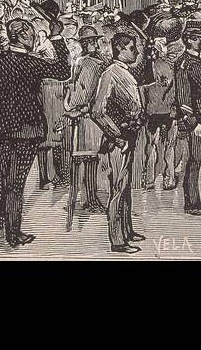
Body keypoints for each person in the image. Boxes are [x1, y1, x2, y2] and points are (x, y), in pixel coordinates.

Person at [0, 14, 72, 246]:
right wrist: (57, 37)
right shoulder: (31, 63)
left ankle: (0, 224)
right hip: (26, 131)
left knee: (2, 177)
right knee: (16, 183)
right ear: (22, 36)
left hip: (1, 129)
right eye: (31, 33)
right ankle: (13, 234)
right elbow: (63, 70)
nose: (33, 37)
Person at [91, 31, 146, 252]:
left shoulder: (125, 72)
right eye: (132, 48)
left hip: (128, 137)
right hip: (117, 140)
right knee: (117, 190)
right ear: (121, 50)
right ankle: (117, 240)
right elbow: (97, 111)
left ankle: (127, 230)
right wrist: (117, 136)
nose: (137, 51)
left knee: (125, 187)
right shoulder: (110, 73)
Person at [173, 21, 201, 217]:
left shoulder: (198, 61)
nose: (199, 41)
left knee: (195, 163)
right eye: (195, 38)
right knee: (193, 163)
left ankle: (194, 202)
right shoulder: (184, 63)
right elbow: (183, 98)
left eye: (200, 38)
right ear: (187, 40)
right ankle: (192, 204)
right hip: (196, 124)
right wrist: (194, 123)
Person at [64, 25, 108, 214]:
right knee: (87, 158)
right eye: (86, 41)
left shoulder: (99, 61)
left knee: (91, 157)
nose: (90, 44)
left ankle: (86, 197)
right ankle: (87, 199)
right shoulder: (85, 62)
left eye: (92, 41)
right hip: (86, 115)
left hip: (93, 114)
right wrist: (75, 107)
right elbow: (80, 89)